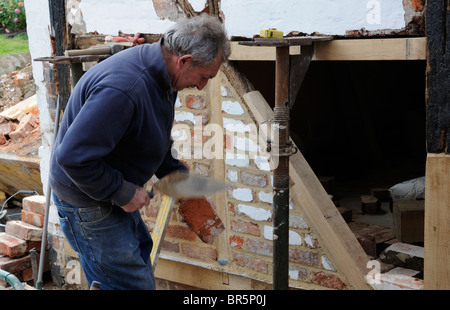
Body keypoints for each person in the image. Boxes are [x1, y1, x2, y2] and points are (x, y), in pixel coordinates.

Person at [49, 14, 230, 290]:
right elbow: (72, 158)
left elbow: (149, 132)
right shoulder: (125, 89)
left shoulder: (165, 76)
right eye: (204, 77)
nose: (203, 85)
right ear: (184, 61)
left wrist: (177, 176)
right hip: (86, 198)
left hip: (105, 187)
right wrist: (123, 192)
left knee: (136, 260)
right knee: (132, 284)